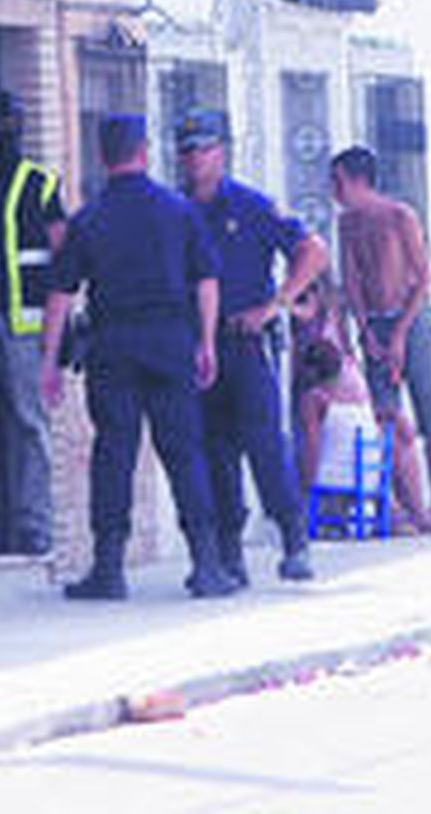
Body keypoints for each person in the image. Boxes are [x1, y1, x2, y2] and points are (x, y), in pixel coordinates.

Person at [39, 114, 239, 600]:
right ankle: (207, 566)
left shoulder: (89, 218)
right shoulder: (178, 210)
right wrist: (207, 342)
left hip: (113, 346)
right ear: (145, 151)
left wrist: (50, 361)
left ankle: (109, 569)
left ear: (103, 157)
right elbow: (206, 281)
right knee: (184, 452)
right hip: (171, 343)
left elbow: (61, 294)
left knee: (114, 454)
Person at [175, 108, 326, 584]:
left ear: (224, 151)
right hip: (200, 348)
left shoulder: (251, 205)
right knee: (215, 453)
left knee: (265, 447)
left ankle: (294, 538)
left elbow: (313, 251)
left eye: (205, 148)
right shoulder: (176, 211)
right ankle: (228, 553)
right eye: (188, 150)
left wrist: (277, 303)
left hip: (247, 343)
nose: (196, 159)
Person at [330, 145, 431, 528]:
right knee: (384, 413)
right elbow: (351, 282)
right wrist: (363, 331)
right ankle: (399, 504)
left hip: (411, 321)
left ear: (356, 180)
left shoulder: (400, 216)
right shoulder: (347, 224)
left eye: (337, 181)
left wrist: (400, 333)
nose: (333, 190)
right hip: (376, 324)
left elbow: (423, 279)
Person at [290, 278, 431, 533]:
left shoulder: (338, 331)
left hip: (354, 420)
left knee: (400, 429)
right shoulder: (313, 343)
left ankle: (413, 510)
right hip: (339, 432)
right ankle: (397, 509)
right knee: (389, 433)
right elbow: (310, 443)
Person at [0, 91, 66, 556]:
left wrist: (64, 328)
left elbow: (65, 256)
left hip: (25, 327)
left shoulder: (40, 183)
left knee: (29, 425)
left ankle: (34, 525)